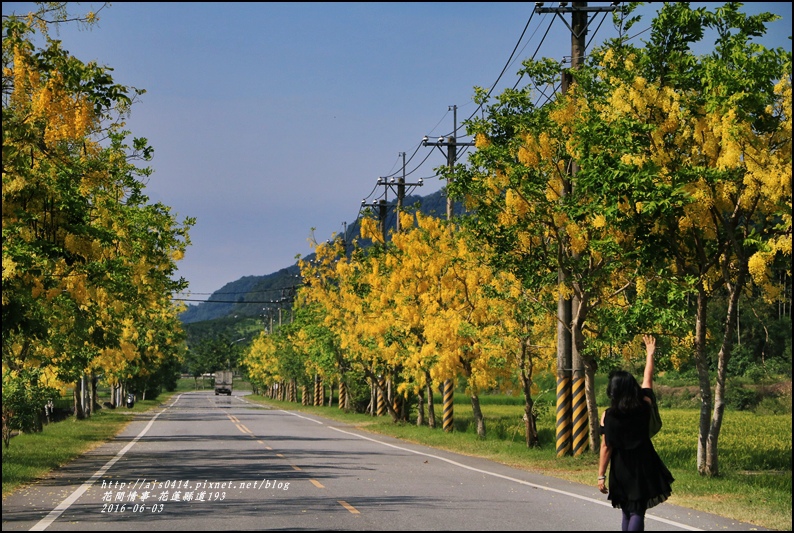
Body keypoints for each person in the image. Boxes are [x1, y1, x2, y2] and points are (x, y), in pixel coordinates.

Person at [598, 334, 674, 531]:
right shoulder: (645, 404)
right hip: (643, 463)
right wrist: (650, 354)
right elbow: (647, 379)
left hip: (620, 466)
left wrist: (600, 476)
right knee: (637, 510)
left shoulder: (608, 416)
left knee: (626, 509)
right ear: (632, 387)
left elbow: (606, 447)